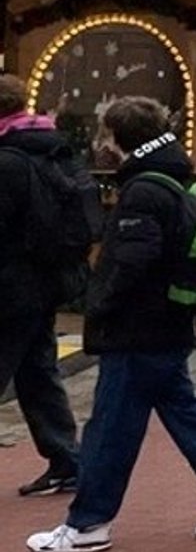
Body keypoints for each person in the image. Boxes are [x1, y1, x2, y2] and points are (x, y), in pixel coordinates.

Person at [27, 97, 196, 552]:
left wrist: (98, 304)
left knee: (109, 430)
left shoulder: (142, 190)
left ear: (121, 138)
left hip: (137, 327)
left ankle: (87, 525)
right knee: (182, 408)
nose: (100, 145)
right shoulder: (172, 180)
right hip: (167, 323)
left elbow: (132, 260)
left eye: (105, 136)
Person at [0, 75, 81, 499]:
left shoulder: (7, 161)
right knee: (37, 370)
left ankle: (66, 459)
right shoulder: (55, 149)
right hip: (47, 280)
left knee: (30, 368)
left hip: (10, 285)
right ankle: (66, 459)